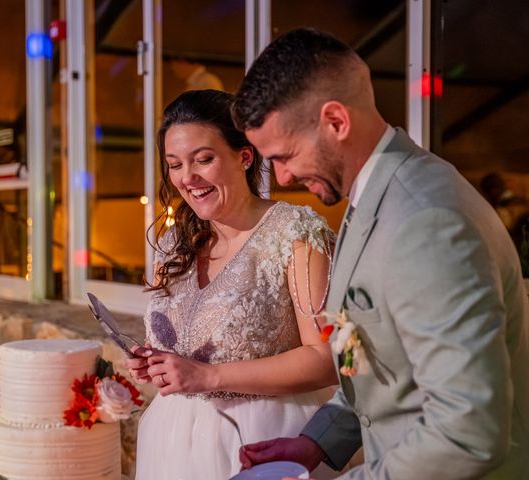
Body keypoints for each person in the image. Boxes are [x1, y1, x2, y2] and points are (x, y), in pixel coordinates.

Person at [231, 28, 529, 479]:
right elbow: (383, 365)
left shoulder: (426, 221)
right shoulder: (372, 197)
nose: (284, 176)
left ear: (336, 121)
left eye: (285, 155)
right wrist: (314, 442)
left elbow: (468, 430)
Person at [127, 89, 340, 479]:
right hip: (172, 442)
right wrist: (157, 364)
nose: (187, 178)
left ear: (244, 156)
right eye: (174, 165)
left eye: (203, 159)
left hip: (260, 439)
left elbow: (326, 359)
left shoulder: (295, 233)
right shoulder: (175, 245)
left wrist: (207, 376)